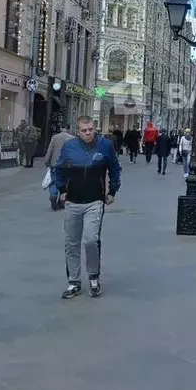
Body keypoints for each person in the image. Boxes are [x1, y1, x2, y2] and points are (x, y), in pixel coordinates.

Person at [53, 116, 121, 300]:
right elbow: (58, 168)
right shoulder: (69, 147)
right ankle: (74, 282)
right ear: (77, 132)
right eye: (84, 130)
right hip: (72, 202)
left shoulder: (104, 146)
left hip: (95, 201)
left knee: (91, 240)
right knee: (71, 243)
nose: (88, 133)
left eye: (91, 129)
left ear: (95, 128)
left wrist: (113, 190)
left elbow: (115, 168)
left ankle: (93, 278)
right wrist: (61, 189)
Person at [44, 124, 75, 210]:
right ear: (69, 129)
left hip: (55, 164)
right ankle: (61, 201)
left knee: (54, 181)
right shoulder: (72, 139)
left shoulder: (55, 137)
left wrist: (47, 162)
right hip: (67, 165)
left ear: (61, 128)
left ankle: (53, 195)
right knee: (65, 182)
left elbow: (50, 150)